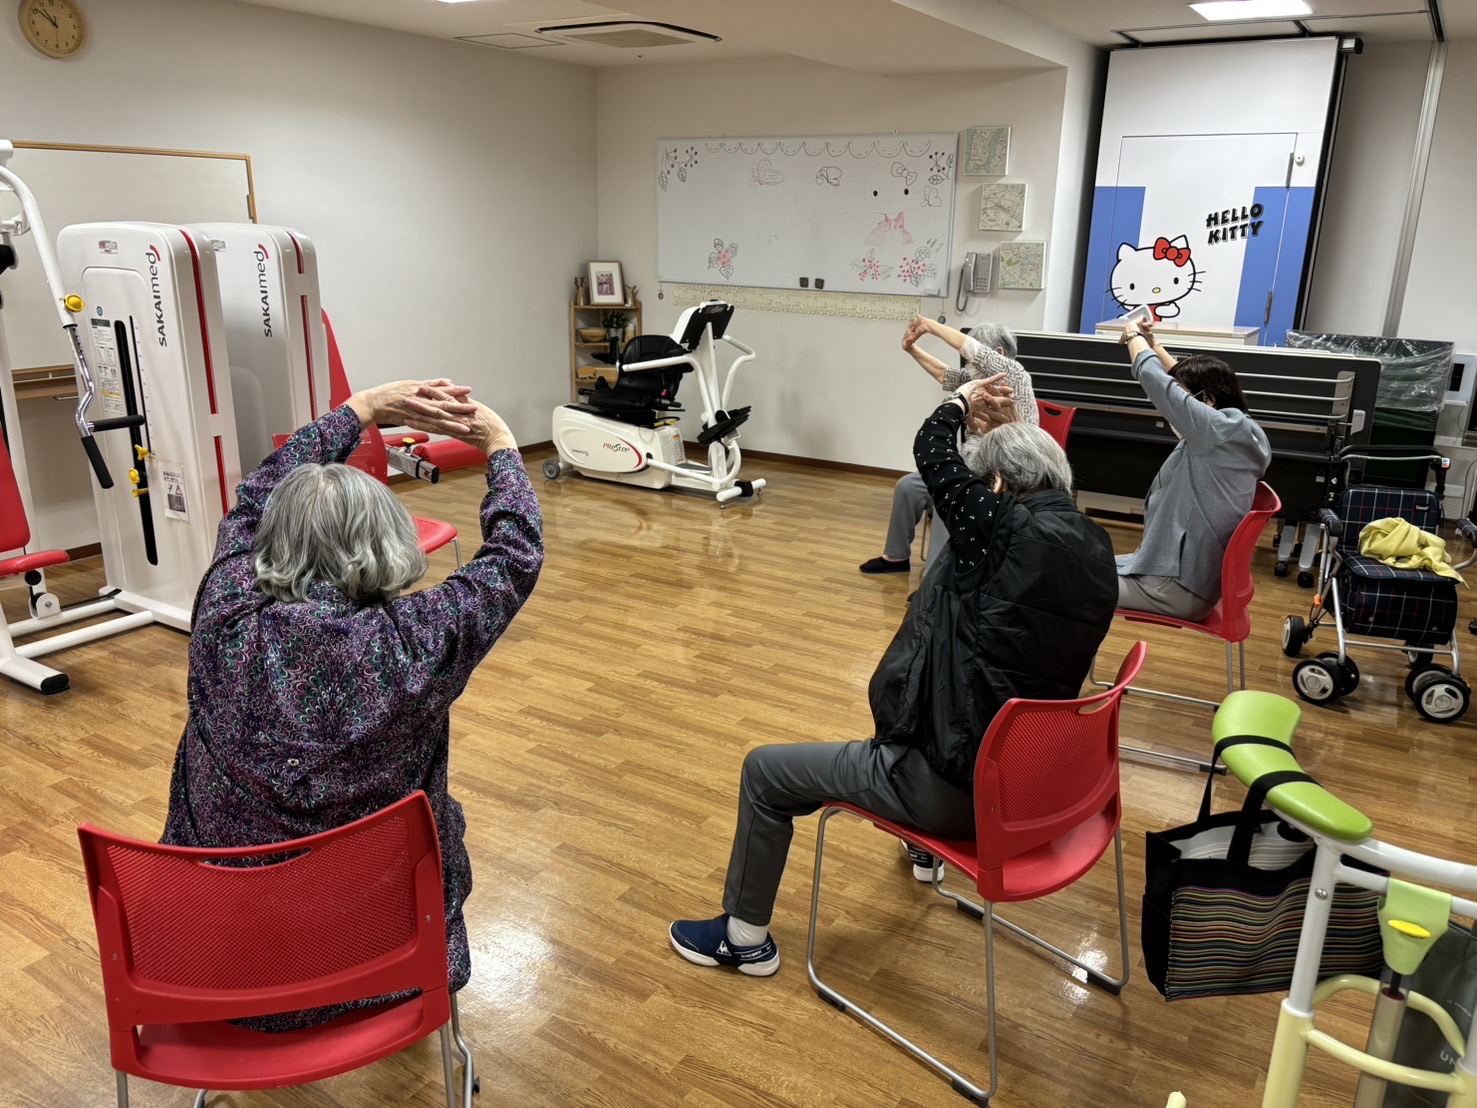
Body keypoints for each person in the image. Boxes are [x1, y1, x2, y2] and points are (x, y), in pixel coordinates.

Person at [670, 374, 1117, 976]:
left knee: (765, 772)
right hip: (1035, 787)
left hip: (958, 792)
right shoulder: (1096, 547)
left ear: (998, 486)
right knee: (953, 685)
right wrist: (1008, 433)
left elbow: (932, 452)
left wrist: (958, 403)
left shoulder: (999, 529)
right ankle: (921, 851)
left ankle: (743, 939)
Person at [162, 378, 544, 1029]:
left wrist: (360, 410)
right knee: (442, 822)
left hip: (227, 963)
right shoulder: (421, 640)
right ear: (393, 542)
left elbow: (252, 499)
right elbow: (514, 555)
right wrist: (501, 447)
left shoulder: (223, 613)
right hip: (386, 964)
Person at [859, 316, 1039, 575]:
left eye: (972, 358)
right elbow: (944, 374)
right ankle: (896, 557)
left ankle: (936, 579)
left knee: (952, 496)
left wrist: (930, 325)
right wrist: (911, 349)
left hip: (1005, 475)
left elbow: (971, 349)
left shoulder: (1014, 374)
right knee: (908, 487)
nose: (967, 363)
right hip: (970, 467)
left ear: (998, 354)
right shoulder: (977, 381)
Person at [1116, 321, 1271, 620]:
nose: (1182, 407)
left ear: (1208, 400)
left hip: (1173, 586)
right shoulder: (1237, 430)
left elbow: (1157, 382)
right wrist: (1154, 344)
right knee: (1080, 562)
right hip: (1184, 579)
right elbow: (1181, 383)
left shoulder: (1213, 432)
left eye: (1187, 400)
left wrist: (1134, 335)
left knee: (1068, 581)